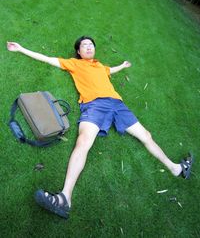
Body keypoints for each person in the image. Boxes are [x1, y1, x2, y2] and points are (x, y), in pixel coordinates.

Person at [7, 36, 193, 219]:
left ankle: (176, 169)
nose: (89, 47)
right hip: (95, 105)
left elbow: (109, 70)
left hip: (118, 105)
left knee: (146, 135)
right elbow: (48, 59)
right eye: (84, 45)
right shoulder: (75, 64)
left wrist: (122, 65)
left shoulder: (100, 66)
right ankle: (65, 198)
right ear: (79, 52)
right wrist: (21, 49)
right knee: (83, 142)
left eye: (91, 45)